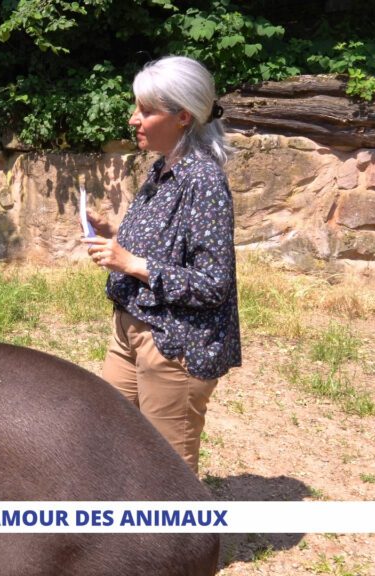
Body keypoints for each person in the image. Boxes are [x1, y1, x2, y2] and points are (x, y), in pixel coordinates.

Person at [82, 55, 241, 474]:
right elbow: (167, 248)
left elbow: (212, 284)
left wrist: (129, 262)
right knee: (110, 440)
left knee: (167, 468)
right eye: (137, 107)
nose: (134, 119)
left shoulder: (203, 180)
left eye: (147, 111)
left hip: (172, 344)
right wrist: (115, 235)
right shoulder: (162, 170)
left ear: (183, 116)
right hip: (130, 329)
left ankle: (183, 539)